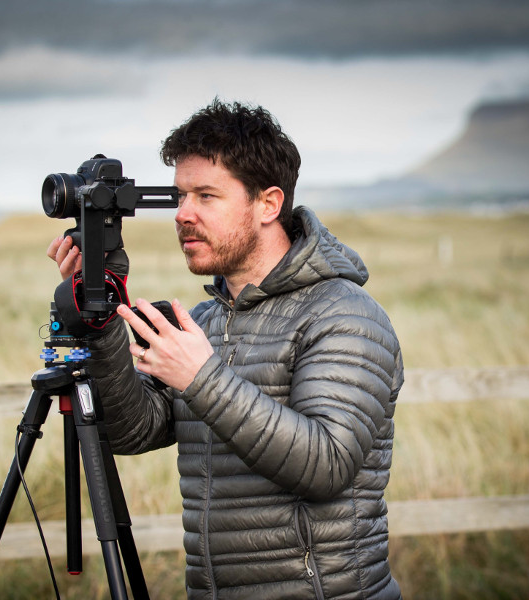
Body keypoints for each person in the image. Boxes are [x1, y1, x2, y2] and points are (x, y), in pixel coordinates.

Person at [47, 99, 404, 600]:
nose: (183, 214)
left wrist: (201, 377)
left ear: (268, 203)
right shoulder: (206, 321)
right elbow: (132, 432)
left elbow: (328, 466)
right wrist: (102, 313)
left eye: (206, 196)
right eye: (180, 196)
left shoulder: (345, 315)